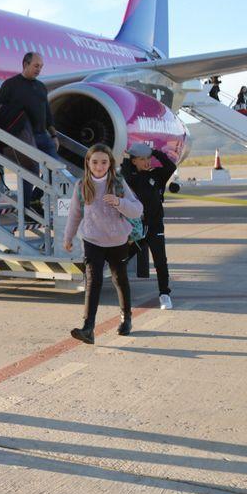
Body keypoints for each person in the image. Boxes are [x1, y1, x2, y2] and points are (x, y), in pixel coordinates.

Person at [63, 144, 143, 344]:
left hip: (117, 240)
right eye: (95, 162)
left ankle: (126, 319)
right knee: (93, 281)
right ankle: (88, 328)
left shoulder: (117, 183)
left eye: (104, 162)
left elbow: (137, 210)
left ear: (110, 163)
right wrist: (68, 237)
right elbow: (75, 214)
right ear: (88, 163)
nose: (99, 166)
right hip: (92, 240)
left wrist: (118, 202)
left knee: (119, 278)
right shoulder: (82, 185)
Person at [0, 52, 58, 207]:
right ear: (25, 64)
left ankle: (34, 197)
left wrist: (54, 135)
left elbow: (48, 114)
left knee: (56, 170)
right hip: (22, 135)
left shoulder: (41, 87)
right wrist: (17, 111)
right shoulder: (10, 84)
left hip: (42, 135)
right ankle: (26, 208)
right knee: (30, 171)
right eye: (36, 66)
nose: (39, 69)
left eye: (41, 67)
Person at [121, 143, 177, 310]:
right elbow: (124, 170)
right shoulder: (129, 178)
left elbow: (170, 166)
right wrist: (126, 158)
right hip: (136, 229)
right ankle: (123, 292)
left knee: (160, 261)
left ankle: (164, 294)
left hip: (155, 227)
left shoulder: (158, 176)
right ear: (134, 161)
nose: (146, 162)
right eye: (142, 159)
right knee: (121, 260)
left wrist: (154, 152)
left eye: (148, 159)